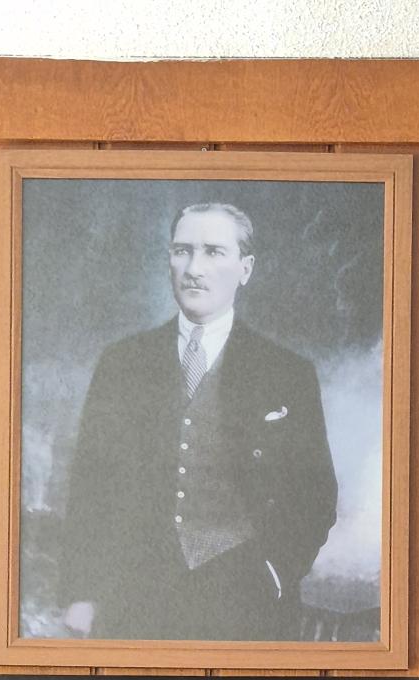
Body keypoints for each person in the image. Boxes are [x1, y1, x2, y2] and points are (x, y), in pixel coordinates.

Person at [59, 201, 338, 643]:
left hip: (245, 601)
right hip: (135, 598)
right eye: (182, 251)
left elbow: (315, 493)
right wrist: (82, 594)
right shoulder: (123, 363)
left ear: (245, 268)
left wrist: (274, 572)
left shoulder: (286, 372)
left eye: (213, 252)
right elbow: (91, 485)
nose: (193, 268)